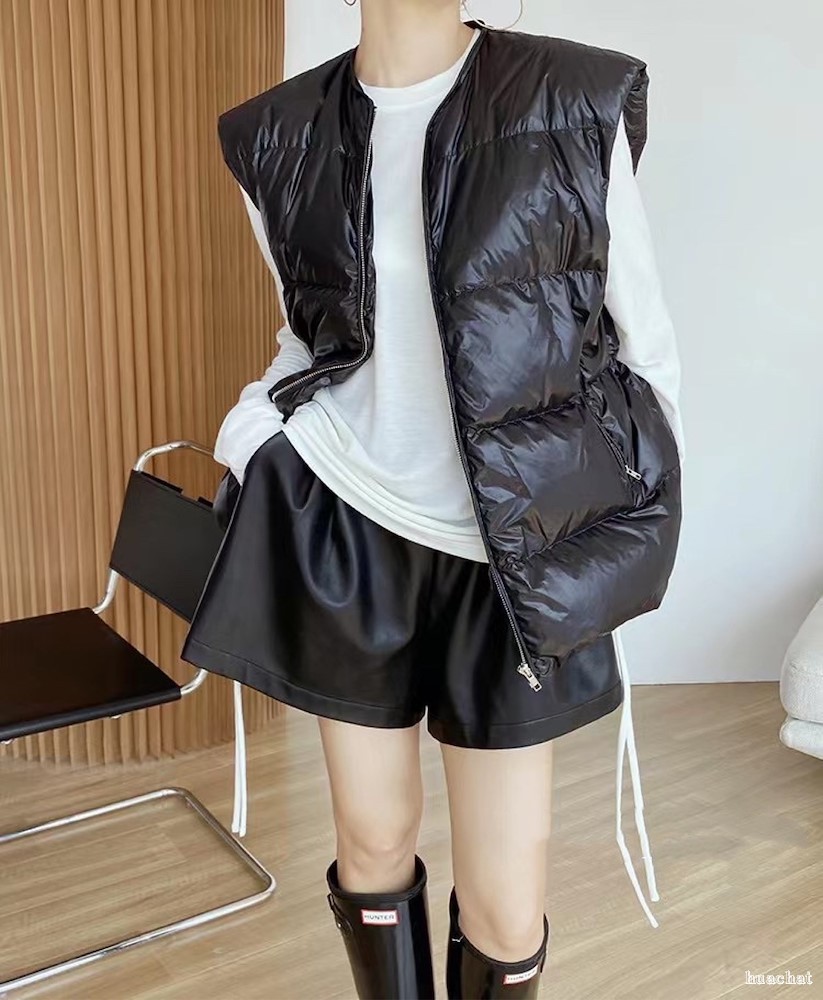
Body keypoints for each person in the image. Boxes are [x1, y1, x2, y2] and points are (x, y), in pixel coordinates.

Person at [181, 2, 685, 997]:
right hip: (347, 526)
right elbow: (309, 338)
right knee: (371, 844)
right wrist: (255, 442)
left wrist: (626, 531)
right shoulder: (276, 133)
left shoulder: (571, 96)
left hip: (511, 553)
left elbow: (644, 347)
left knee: (504, 902)